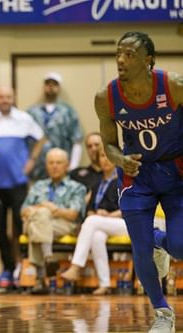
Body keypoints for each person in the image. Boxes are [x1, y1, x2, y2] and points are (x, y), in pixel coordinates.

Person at [94, 31, 183, 332]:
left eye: (130, 54)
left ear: (148, 60)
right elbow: (108, 144)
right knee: (140, 249)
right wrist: (119, 160)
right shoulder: (106, 97)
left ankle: (162, 242)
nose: (121, 59)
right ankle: (162, 313)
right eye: (119, 52)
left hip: (175, 172)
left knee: (180, 247)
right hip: (136, 176)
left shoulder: (173, 86)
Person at [0, 85, 45, 289]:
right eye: (1, 97)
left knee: (20, 228)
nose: (4, 100)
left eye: (8, 97)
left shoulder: (24, 119)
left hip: (18, 182)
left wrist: (32, 161)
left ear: (13, 98)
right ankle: (8, 269)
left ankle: (21, 267)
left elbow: (41, 138)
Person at [61, 148, 127, 295]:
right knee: (97, 236)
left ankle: (76, 266)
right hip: (102, 223)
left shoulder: (123, 180)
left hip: (125, 223)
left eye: (108, 156)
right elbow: (90, 209)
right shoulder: (97, 184)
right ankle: (105, 284)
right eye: (102, 156)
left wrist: (108, 215)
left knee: (92, 221)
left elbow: (129, 208)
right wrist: (97, 214)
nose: (105, 159)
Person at [20, 148, 86, 294]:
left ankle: (40, 278)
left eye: (58, 162)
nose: (55, 166)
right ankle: (48, 257)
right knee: (41, 217)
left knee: (35, 225)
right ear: (46, 165)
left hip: (63, 224)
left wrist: (54, 210)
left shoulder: (77, 188)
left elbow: (74, 215)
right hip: (39, 222)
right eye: (51, 163)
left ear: (67, 165)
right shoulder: (38, 185)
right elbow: (23, 210)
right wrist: (41, 208)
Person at [27, 72, 83, 181]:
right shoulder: (32, 113)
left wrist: (73, 167)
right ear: (44, 87)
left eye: (54, 84)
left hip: (62, 169)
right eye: (48, 84)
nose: (51, 87)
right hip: (38, 170)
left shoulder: (68, 112)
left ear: (59, 87)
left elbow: (77, 140)